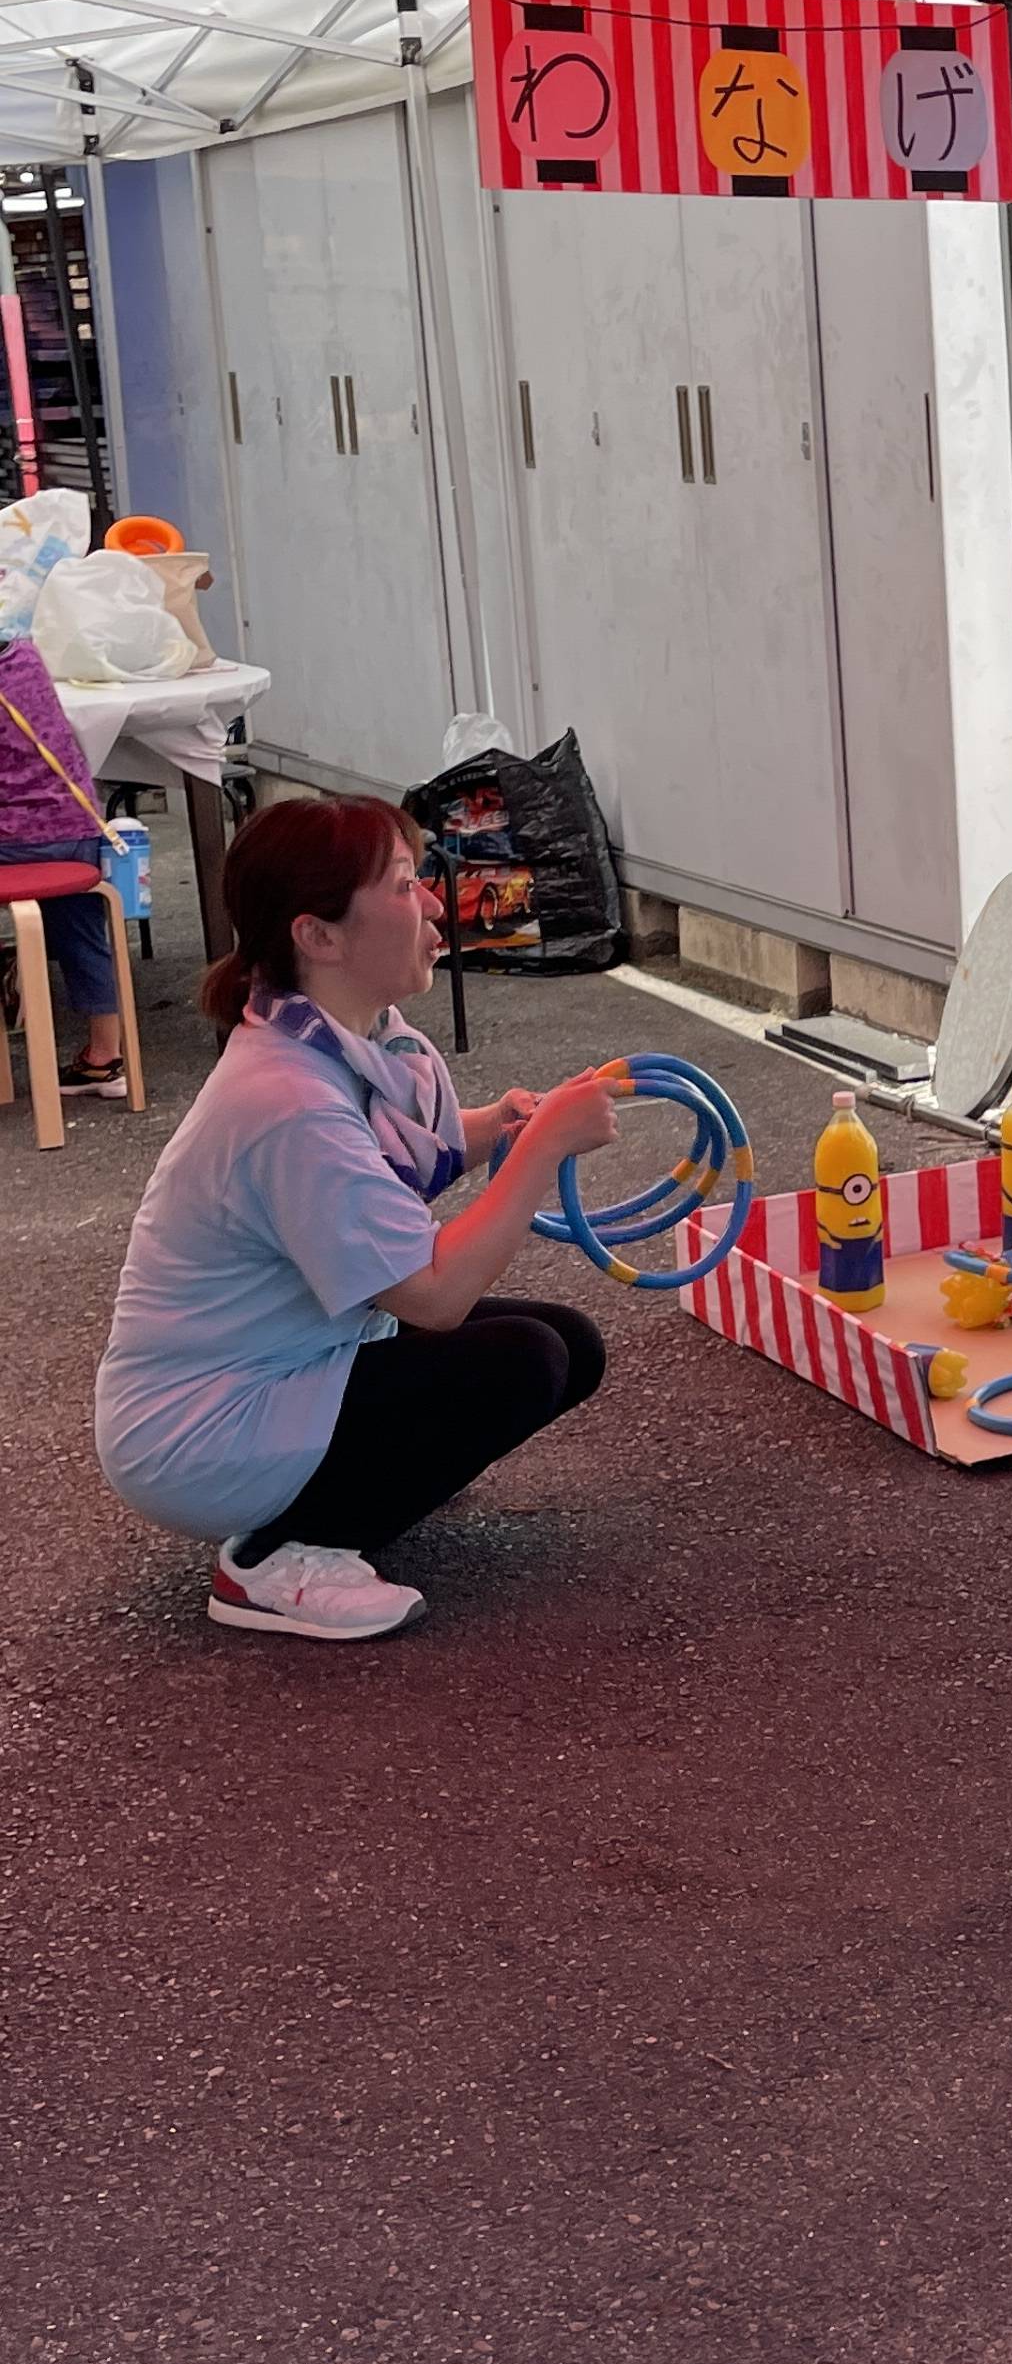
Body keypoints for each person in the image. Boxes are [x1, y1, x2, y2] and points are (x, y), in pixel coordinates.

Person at [96, 795, 630, 1642]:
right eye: (404, 882)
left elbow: (380, 1163)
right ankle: (271, 1557)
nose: (429, 904)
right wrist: (539, 1153)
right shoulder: (287, 1100)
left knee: (567, 1344)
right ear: (320, 936)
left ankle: (355, 1484)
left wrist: (498, 1130)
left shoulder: (322, 1038)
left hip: (277, 1367)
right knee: (517, 1361)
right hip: (202, 1432)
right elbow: (432, 1294)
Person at [0, 628, 129, 1095]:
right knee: (83, 932)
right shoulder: (26, 657)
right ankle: (104, 1056)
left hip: (14, 838)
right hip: (76, 825)